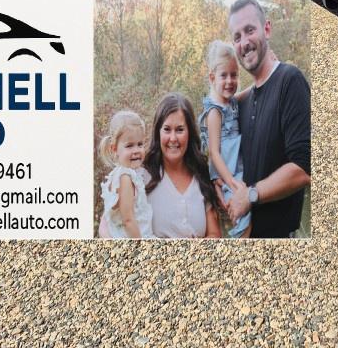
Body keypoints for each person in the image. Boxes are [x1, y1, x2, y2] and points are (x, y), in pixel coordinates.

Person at [225, 0, 311, 238]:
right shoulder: (246, 100)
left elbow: (304, 168)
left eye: (249, 30)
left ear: (267, 29)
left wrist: (250, 195)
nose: (244, 42)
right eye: (237, 37)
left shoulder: (289, 81)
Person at [144, 93, 223, 238]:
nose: (173, 138)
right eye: (167, 129)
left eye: (180, 130)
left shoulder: (202, 174)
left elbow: (214, 234)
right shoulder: (142, 175)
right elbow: (109, 223)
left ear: (190, 133)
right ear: (158, 132)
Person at [199, 41, 251, 238]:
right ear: (212, 78)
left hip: (236, 170)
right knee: (242, 218)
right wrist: (231, 182)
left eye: (234, 75)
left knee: (245, 215)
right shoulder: (215, 112)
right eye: (224, 76)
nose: (230, 81)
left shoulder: (229, 102)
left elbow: (242, 95)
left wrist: (262, 81)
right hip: (228, 173)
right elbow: (213, 152)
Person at [97, 110, 153, 239]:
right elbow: (128, 220)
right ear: (114, 149)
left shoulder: (123, 174)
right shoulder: (125, 178)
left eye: (140, 144)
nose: (136, 151)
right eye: (129, 146)